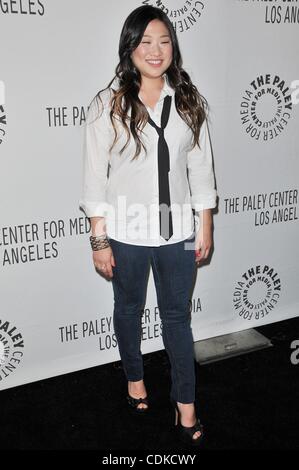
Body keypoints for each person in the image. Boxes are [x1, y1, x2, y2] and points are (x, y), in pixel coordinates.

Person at [79, 5, 217, 446]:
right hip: (125, 232)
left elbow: (200, 169)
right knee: (128, 310)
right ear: (130, 48)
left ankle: (185, 404)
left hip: (177, 232)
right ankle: (135, 378)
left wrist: (206, 223)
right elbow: (93, 176)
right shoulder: (109, 104)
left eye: (163, 41)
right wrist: (99, 238)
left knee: (178, 319)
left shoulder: (189, 101)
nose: (155, 51)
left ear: (173, 46)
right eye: (145, 42)